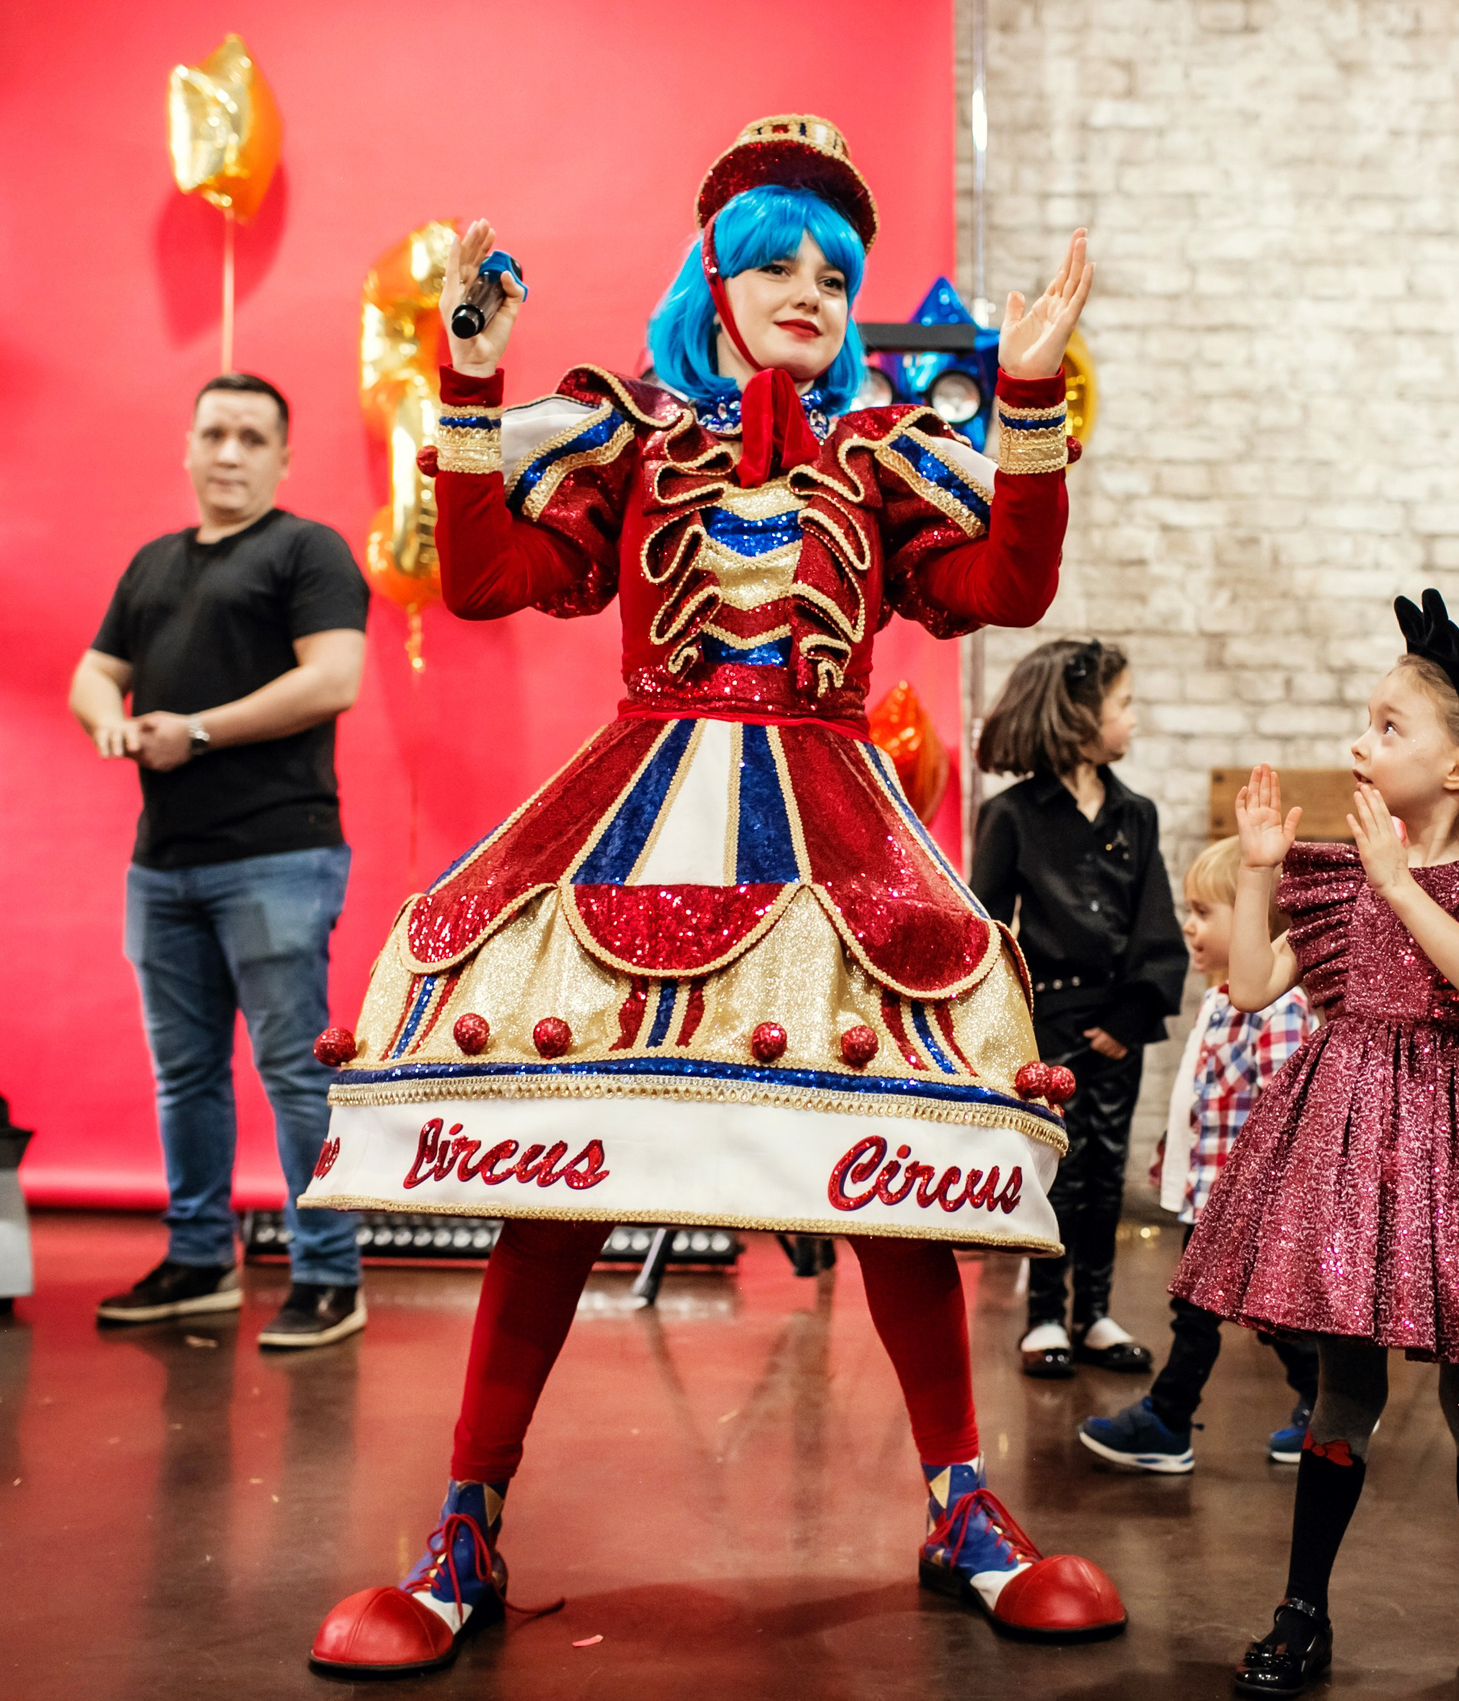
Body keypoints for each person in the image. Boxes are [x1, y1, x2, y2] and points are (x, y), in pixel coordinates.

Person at [298, 117, 1125, 1676]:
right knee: (562, 1161)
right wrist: (470, 381)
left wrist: (1022, 391)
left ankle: (958, 1498)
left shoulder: (882, 459)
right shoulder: (626, 433)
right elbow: (480, 579)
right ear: (718, 280)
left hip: (832, 829)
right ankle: (465, 1521)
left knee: (880, 1166)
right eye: (778, 261)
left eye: (836, 268)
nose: (811, 287)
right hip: (635, 814)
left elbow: (1006, 587)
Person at [1173, 591, 1459, 1701]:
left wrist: (1396, 887)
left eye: (1386, 727)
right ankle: (1302, 1610)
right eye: (1363, 722)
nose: (1357, 744)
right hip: (1348, 1141)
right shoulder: (1336, 870)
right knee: (1341, 1391)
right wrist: (1269, 865)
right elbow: (1243, 987)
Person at [71, 373, 371, 1351]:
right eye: (215, 434)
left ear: (284, 457)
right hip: (163, 866)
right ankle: (200, 1260)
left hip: (278, 856)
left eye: (253, 437)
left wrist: (194, 732)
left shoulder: (307, 551)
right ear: (188, 448)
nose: (231, 453)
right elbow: (92, 673)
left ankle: (329, 1275)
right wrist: (106, 724)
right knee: (185, 1076)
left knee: (293, 1075)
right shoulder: (152, 564)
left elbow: (334, 680)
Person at [973, 639, 1187, 1379]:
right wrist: (1009, 1033)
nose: (1133, 718)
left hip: (1115, 1030)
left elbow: (1155, 922)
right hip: (1047, 1028)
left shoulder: (1136, 813)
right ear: (1079, 715)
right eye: (1123, 704)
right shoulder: (1012, 816)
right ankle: (1042, 1317)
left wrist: (1129, 1019)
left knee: (1106, 1170)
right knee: (1053, 1171)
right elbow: (992, 932)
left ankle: (1093, 1311)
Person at [1078, 835, 1316, 1472]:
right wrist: (1173, 1155)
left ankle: (1170, 1420)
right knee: (1244, 1313)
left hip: (1247, 1202)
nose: (1188, 923)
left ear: (1258, 919)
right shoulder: (1218, 999)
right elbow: (1204, 1096)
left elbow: (1287, 1109)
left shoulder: (1279, 1008)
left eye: (1205, 912)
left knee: (1216, 1313)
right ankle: (1323, 1402)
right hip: (1210, 1194)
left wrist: (1270, 1199)